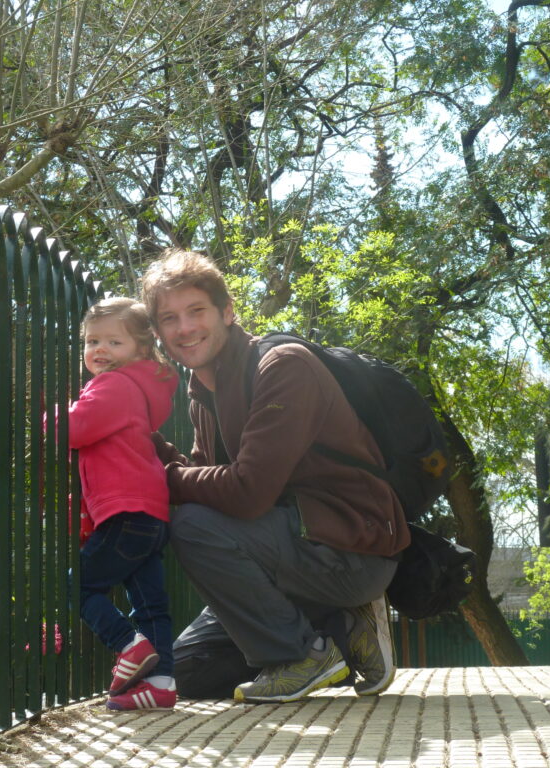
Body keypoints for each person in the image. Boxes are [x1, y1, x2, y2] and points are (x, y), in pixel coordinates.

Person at [141, 249, 410, 703]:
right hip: (288, 547)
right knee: (184, 673)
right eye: (169, 318)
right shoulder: (200, 393)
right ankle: (340, 630)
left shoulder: (283, 366)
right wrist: (142, 443)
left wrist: (164, 476)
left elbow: (247, 493)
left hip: (348, 548)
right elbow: (202, 481)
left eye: (196, 311)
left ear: (227, 311)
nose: (184, 328)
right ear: (159, 333)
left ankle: (303, 654)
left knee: (189, 526)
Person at [67, 297, 179, 711]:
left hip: (123, 512)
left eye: (114, 342)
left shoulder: (114, 384)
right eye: (92, 340)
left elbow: (73, 429)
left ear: (142, 348)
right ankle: (161, 683)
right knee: (151, 603)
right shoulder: (142, 390)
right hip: (151, 515)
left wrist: (52, 414)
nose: (100, 351)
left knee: (74, 586)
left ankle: (127, 645)